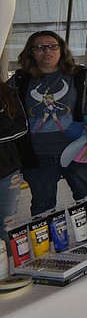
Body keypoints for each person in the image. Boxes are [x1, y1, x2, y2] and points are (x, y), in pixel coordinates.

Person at [7, 31, 87, 216]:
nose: (47, 51)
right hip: (37, 155)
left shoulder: (82, 76)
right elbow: (9, 111)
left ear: (61, 49)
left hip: (78, 150)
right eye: (39, 47)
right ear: (31, 52)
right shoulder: (19, 81)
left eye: (52, 46)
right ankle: (46, 244)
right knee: (43, 206)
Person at [0, 81, 27, 243]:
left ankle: (10, 267)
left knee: (8, 228)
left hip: (7, 172)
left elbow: (21, 127)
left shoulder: (7, 92)